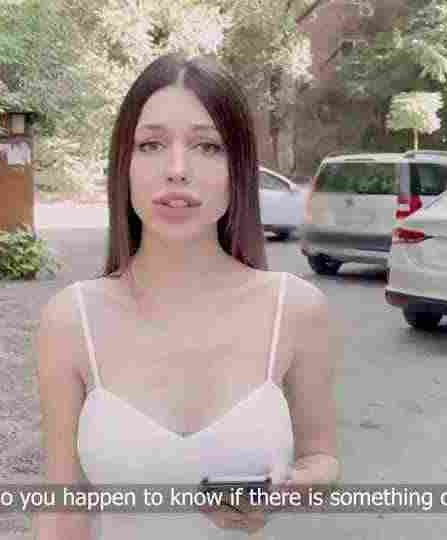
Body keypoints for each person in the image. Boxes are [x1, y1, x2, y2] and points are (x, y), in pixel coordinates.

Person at [34, 53, 343, 539]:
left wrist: (292, 488)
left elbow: (321, 458)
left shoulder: (296, 310)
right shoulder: (71, 320)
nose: (177, 169)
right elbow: (62, 507)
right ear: (124, 164)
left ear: (238, 169)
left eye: (208, 146)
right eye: (152, 144)